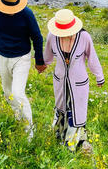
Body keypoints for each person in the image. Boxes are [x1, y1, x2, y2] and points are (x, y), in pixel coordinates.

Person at [0, 0, 46, 140]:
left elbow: (37, 37)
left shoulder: (27, 14)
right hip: (2, 56)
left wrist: (39, 61)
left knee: (18, 93)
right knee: (7, 93)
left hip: (21, 58)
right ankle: (18, 116)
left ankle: (29, 128)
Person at [43, 9, 104, 153]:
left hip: (79, 81)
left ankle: (72, 142)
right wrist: (40, 63)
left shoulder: (84, 37)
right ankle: (59, 135)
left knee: (77, 110)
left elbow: (92, 58)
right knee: (61, 107)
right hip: (60, 80)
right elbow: (47, 55)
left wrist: (99, 76)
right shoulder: (52, 36)